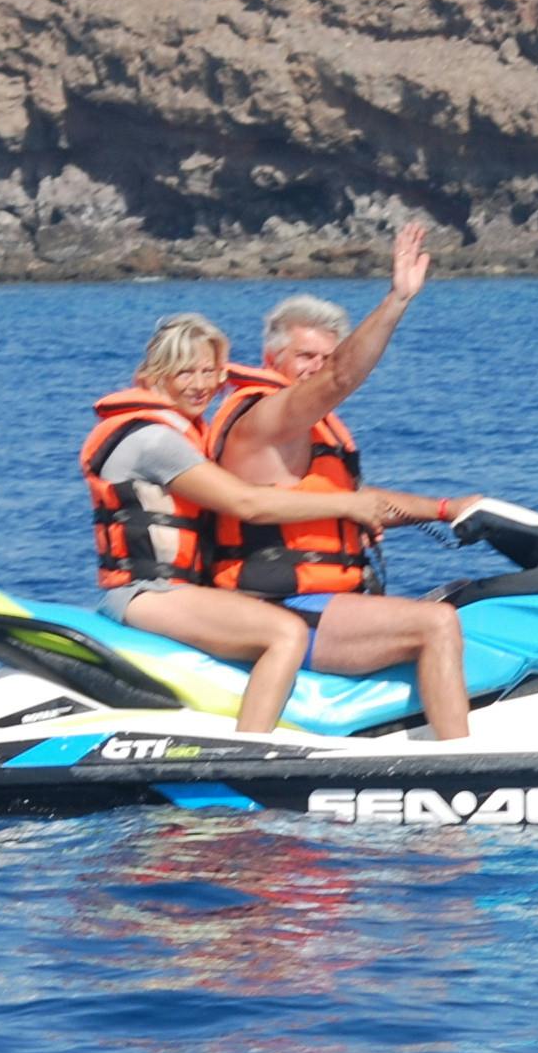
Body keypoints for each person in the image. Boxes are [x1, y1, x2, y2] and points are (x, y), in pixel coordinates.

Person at [81, 309, 472, 738]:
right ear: (156, 373)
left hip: (177, 592)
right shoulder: (156, 440)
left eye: (210, 371)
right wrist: (347, 505)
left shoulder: (183, 433)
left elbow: (308, 499)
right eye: (185, 372)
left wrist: (445, 509)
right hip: (147, 592)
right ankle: (249, 751)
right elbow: (247, 504)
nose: (201, 384)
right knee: (285, 633)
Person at [201, 224, 483, 740]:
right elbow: (342, 380)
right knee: (435, 623)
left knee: (470, 601)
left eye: (326, 357)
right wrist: (398, 299)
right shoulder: (264, 418)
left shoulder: (310, 431)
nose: (318, 369)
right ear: (272, 361)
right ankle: (462, 765)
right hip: (278, 607)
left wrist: (448, 508)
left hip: (323, 603)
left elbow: (355, 503)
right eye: (305, 357)